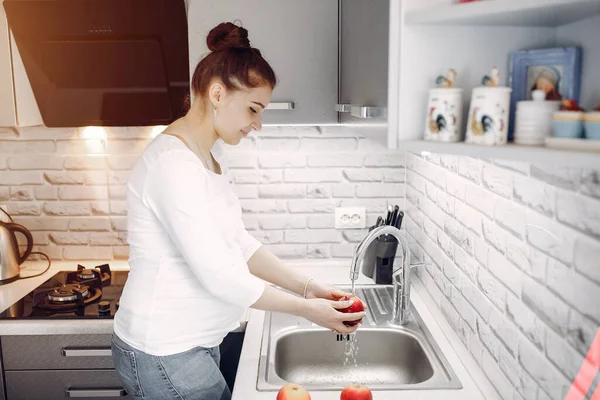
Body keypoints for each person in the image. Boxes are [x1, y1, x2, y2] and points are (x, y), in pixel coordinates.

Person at [110, 22, 365, 400]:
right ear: (216, 94)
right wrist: (309, 311)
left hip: (190, 346)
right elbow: (221, 277)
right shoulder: (172, 165)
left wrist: (309, 287)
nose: (258, 124)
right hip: (165, 350)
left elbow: (238, 245)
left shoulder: (209, 159)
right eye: (253, 109)